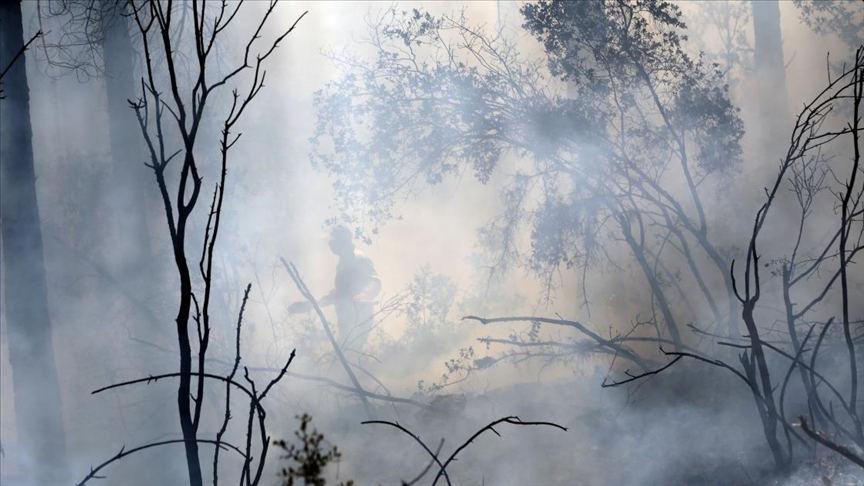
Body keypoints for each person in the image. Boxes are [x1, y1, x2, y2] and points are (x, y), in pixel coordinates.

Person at [289, 226, 381, 351]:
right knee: (344, 352)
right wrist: (310, 305)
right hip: (347, 318)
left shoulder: (358, 258)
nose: (329, 245)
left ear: (341, 242)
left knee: (349, 353)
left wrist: (364, 295)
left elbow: (374, 281)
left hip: (359, 316)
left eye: (332, 242)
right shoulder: (344, 260)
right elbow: (339, 293)